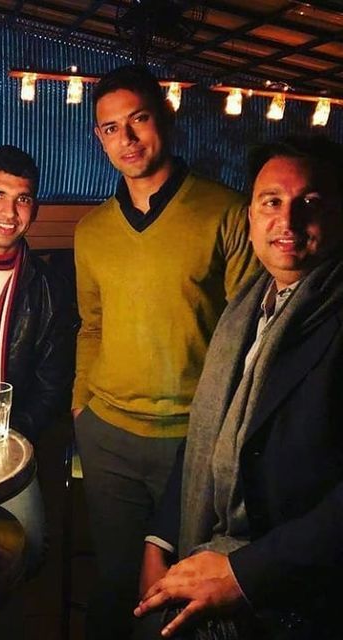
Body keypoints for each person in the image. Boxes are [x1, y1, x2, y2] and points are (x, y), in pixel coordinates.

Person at [71, 64, 259, 638]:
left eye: (138, 120)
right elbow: (91, 325)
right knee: (115, 581)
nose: (126, 140)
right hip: (108, 435)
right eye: (109, 129)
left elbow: (247, 335)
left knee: (179, 593)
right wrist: (81, 407)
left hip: (192, 439)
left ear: (165, 118)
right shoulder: (92, 230)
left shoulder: (226, 211)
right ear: (98, 139)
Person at [135, 136, 343, 640]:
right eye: (271, 202)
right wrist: (159, 539)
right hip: (207, 550)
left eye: (308, 204)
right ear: (250, 216)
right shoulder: (247, 308)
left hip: (295, 593)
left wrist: (243, 575)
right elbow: (213, 428)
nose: (287, 223)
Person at [0, 144, 76, 570]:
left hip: (4, 438)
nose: (10, 212)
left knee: (27, 548)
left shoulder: (49, 286)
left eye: (22, 198)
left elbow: (52, 386)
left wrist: (6, 436)